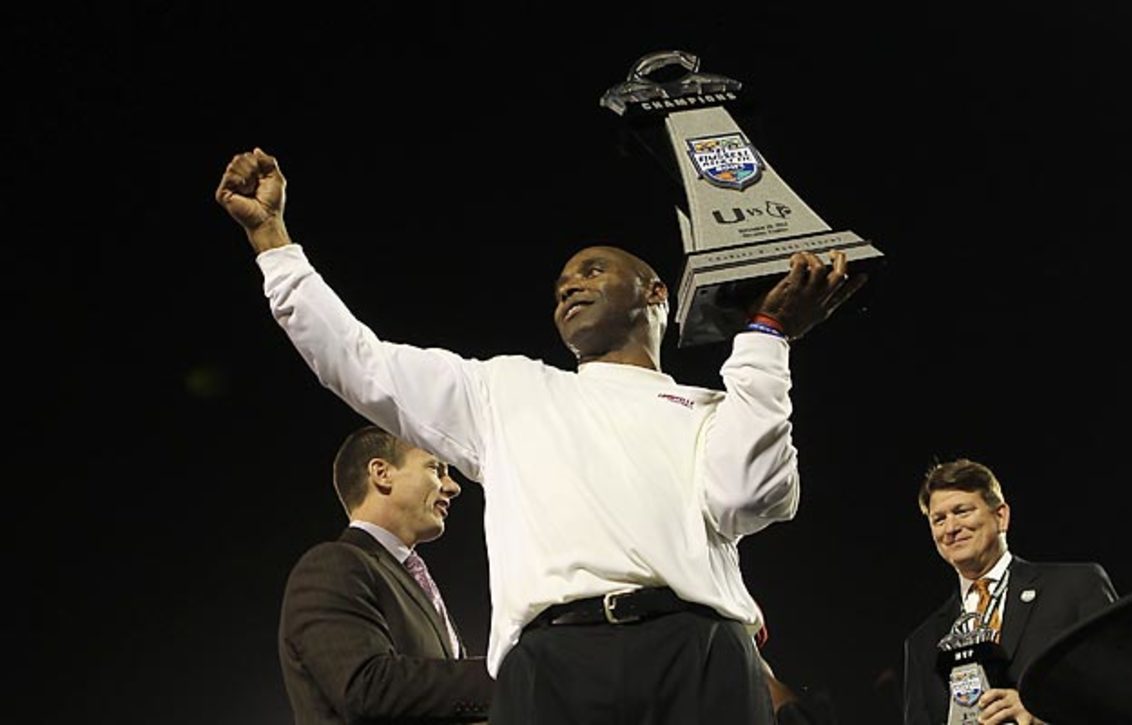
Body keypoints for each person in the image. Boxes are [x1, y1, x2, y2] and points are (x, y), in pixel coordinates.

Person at [218, 147, 866, 725]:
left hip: (698, 655)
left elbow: (750, 497)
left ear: (654, 291)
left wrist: (765, 340)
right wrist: (272, 239)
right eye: (561, 284)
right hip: (549, 667)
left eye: (589, 270)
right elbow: (358, 361)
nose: (568, 286)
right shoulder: (506, 389)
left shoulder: (706, 406)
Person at [278, 424, 492, 724]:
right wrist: (507, 675)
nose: (452, 486)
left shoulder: (408, 578)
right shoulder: (332, 566)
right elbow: (367, 687)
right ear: (382, 473)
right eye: (436, 468)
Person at [901, 458, 1118, 725]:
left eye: (962, 511)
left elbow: (1120, 692)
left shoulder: (1074, 588)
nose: (951, 528)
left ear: (1000, 516)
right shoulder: (923, 644)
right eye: (939, 519)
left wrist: (1041, 714)